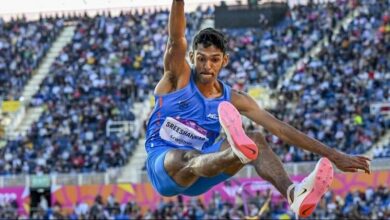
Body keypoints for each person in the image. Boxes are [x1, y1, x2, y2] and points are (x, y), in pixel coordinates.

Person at [144, 0, 371, 217]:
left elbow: (281, 130)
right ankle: (237, 151)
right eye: (201, 59)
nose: (207, 66)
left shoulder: (234, 98)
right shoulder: (177, 78)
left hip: (207, 169)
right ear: (192, 56)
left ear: (225, 60)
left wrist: (334, 156)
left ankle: (293, 194)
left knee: (256, 139)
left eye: (214, 59)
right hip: (164, 166)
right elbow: (176, 40)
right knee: (187, 156)